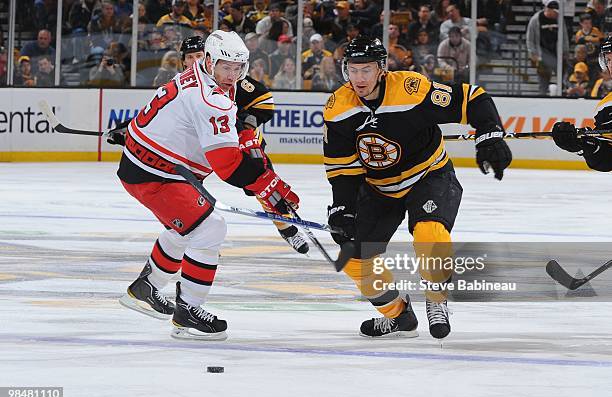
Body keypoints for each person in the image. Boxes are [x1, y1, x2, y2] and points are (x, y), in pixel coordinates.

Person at [323, 36, 511, 339]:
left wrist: (489, 133)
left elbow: (471, 98)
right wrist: (343, 208)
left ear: (382, 68)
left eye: (366, 70)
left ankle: (436, 299)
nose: (359, 78)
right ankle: (399, 316)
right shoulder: (338, 109)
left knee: (429, 232)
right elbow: (343, 169)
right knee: (352, 257)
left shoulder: (411, 89)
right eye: (353, 70)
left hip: (428, 176)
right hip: (379, 188)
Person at [117, 30, 300, 340]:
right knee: (209, 228)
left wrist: (242, 138)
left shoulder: (199, 76)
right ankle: (188, 311)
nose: (232, 75)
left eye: (238, 68)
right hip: (159, 175)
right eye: (226, 67)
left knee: (184, 228)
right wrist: (267, 185)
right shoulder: (210, 98)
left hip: (147, 167)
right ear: (210, 60)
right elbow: (228, 166)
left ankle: (144, 288)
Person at [179, 35, 309, 254]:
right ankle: (203, 236)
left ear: (209, 58)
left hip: (243, 145)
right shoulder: (185, 85)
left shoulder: (232, 77)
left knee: (263, 187)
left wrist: (247, 124)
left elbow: (264, 101)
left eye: (198, 56)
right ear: (183, 61)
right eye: (189, 57)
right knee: (185, 189)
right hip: (204, 150)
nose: (194, 61)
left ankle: (287, 228)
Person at [552, 36, 612, 172]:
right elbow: (607, 161)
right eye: (608, 60)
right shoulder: (607, 107)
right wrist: (583, 146)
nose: (611, 65)